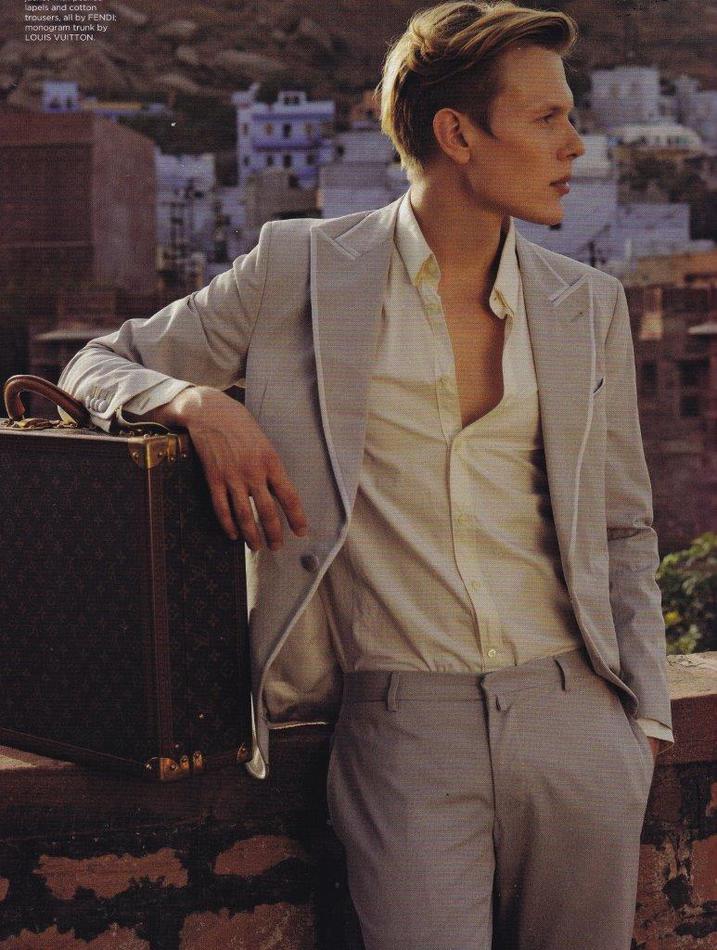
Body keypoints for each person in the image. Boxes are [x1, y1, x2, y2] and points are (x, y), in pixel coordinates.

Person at [58, 2, 675, 946]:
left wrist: (640, 726)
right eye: (547, 117)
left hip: (576, 718)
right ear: (456, 134)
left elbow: (623, 525)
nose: (575, 144)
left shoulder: (585, 303)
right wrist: (195, 403)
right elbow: (92, 365)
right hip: (401, 726)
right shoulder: (298, 269)